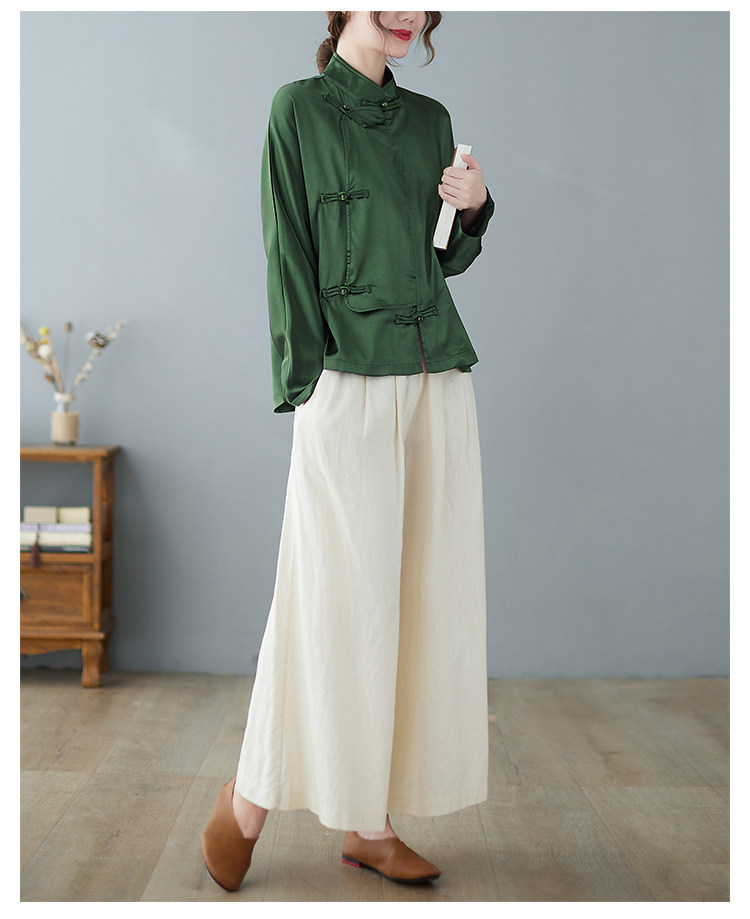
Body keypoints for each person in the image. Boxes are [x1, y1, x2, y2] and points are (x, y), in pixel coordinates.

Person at [201, 10, 496, 891]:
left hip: (436, 375)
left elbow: (443, 258)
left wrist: (474, 208)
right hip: (344, 377)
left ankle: (371, 824)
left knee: (419, 599)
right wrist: (305, 382)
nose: (409, 14)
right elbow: (284, 246)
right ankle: (250, 796)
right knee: (330, 596)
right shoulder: (296, 109)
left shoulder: (432, 120)